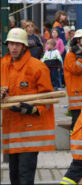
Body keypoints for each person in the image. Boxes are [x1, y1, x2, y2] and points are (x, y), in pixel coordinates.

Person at [1, 28, 55, 185]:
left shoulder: (37, 67)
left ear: (24, 46)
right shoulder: (3, 65)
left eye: (17, 44)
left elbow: (48, 98)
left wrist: (31, 109)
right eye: (11, 43)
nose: (14, 48)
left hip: (30, 133)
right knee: (14, 177)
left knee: (25, 178)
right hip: (12, 132)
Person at [64, 29, 82, 131]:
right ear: (78, 40)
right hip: (76, 95)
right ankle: (73, 141)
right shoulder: (70, 55)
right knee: (76, 122)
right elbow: (77, 70)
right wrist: (81, 58)